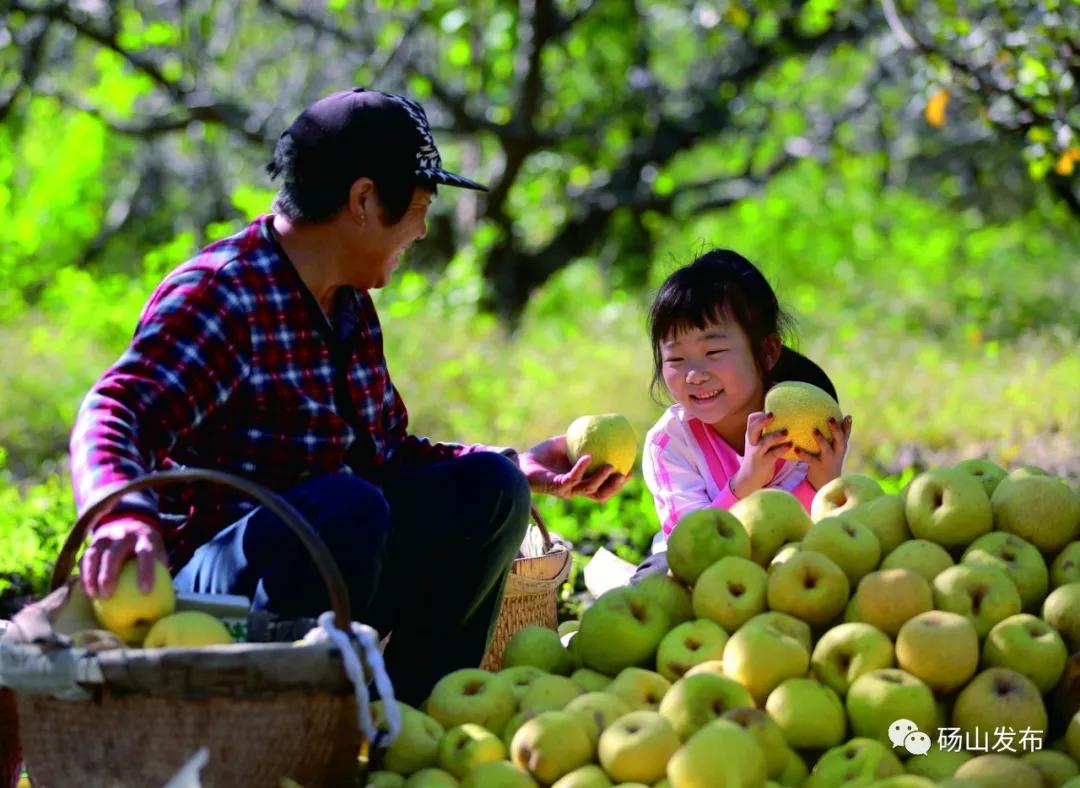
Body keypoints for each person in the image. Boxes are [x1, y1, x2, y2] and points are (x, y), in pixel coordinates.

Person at [69, 88, 627, 704]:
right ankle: (295, 727)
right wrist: (120, 515)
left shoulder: (350, 306)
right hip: (213, 599)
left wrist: (514, 463)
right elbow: (115, 409)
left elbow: (386, 453)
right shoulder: (223, 294)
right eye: (419, 206)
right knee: (346, 507)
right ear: (364, 201)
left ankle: (416, 724)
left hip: (335, 561)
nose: (421, 229)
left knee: (490, 491)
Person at [631, 249, 851, 582]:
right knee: (655, 578)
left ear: (767, 352)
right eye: (676, 360)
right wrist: (745, 483)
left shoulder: (804, 422)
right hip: (701, 577)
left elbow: (812, 531)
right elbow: (690, 547)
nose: (694, 375)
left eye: (713, 352)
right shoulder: (670, 443)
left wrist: (824, 484)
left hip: (791, 569)